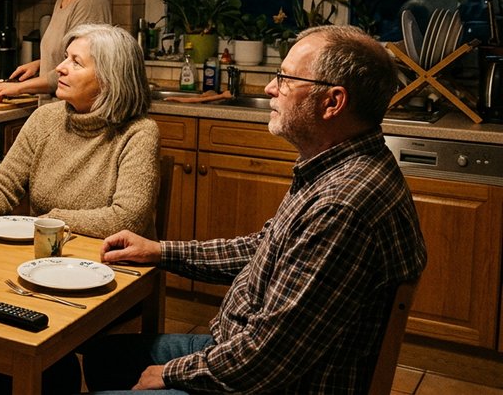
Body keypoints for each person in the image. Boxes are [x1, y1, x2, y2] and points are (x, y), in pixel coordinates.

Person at [86, 25, 427, 394]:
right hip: (241, 351)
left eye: (286, 79)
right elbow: (263, 248)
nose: (269, 88)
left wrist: (170, 373)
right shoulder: (337, 166)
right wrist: (160, 251)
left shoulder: (341, 206)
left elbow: (267, 359)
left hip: (276, 383)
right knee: (103, 357)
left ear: (332, 102)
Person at [0, 23, 160, 394]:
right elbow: (4, 184)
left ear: (109, 80)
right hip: (39, 267)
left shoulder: (138, 132)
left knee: (29, 342)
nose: (59, 67)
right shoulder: (45, 119)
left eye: (76, 62)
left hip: (108, 275)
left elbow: (128, 218)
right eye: (65, 58)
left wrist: (52, 221)